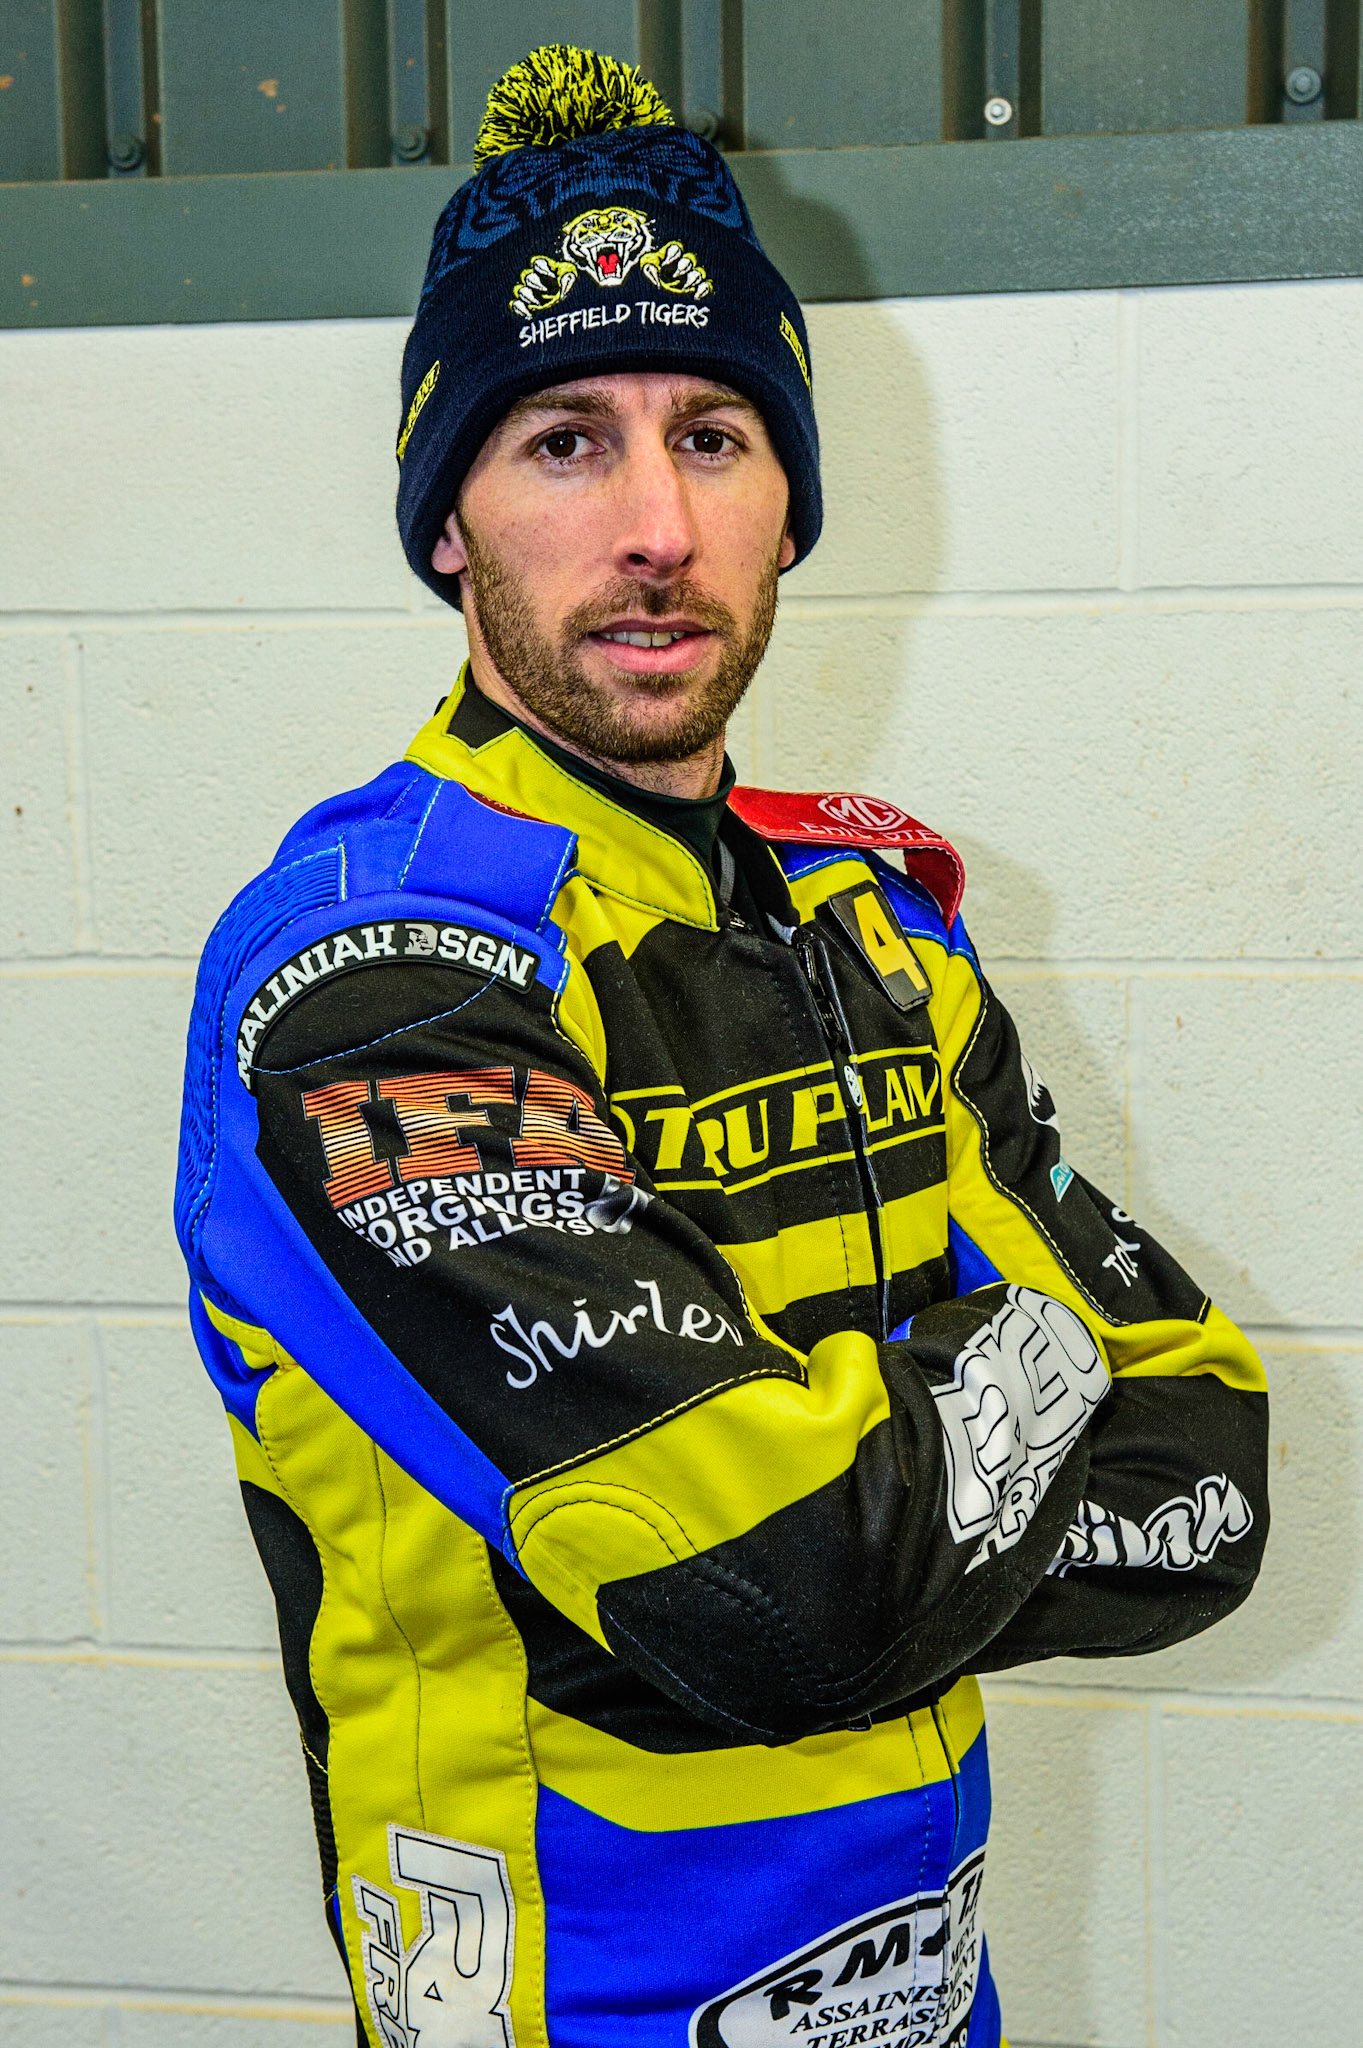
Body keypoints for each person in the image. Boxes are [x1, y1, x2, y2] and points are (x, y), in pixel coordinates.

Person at [175, 44, 1268, 2048]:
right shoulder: (376, 977)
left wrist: (872, 1515)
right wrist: (995, 1398)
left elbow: (1203, 1474)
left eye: (715, 436)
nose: (657, 524)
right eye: (564, 442)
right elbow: (781, 1595)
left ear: (790, 509)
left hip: (927, 1995)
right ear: (447, 525)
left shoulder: (871, 924)